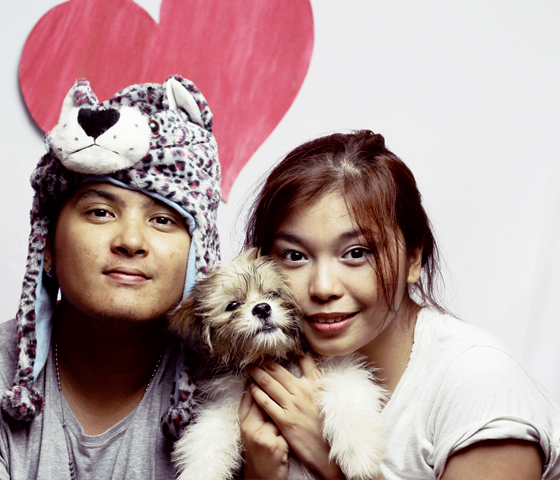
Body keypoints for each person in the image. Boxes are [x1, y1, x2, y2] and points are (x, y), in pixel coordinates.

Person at [0, 76, 221, 479]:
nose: (130, 241)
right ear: (48, 246)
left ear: (200, 255)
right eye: (100, 213)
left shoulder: (229, 392)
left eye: (162, 220)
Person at [238, 130, 560, 479]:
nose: (323, 287)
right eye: (294, 256)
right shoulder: (273, 383)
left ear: (414, 258)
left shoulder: (479, 384)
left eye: (356, 253)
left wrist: (333, 460)